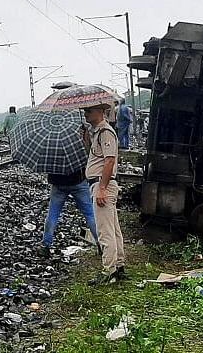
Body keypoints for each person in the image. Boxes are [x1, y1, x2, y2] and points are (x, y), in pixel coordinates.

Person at [83, 103, 126, 284]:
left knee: (104, 231)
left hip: (103, 186)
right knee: (113, 228)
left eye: (89, 111)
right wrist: (85, 139)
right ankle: (118, 265)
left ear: (100, 111)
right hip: (102, 185)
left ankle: (109, 271)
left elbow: (109, 161)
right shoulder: (96, 133)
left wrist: (101, 187)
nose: (85, 114)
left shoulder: (106, 132)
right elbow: (96, 157)